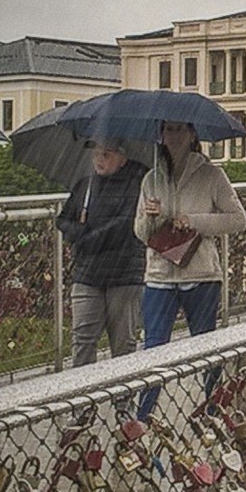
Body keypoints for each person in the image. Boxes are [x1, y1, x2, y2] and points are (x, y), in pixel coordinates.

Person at [134, 121, 246, 421]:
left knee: (205, 344)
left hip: (200, 273)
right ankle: (142, 416)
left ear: (192, 134)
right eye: (169, 130)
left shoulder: (212, 175)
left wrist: (194, 221)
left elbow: (238, 219)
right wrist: (149, 216)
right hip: (160, 273)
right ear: (161, 134)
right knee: (154, 347)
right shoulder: (151, 179)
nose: (174, 136)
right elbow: (141, 232)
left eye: (180, 130)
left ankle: (212, 408)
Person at [56, 140, 147, 367]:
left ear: (122, 158)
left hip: (124, 274)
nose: (99, 160)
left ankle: (123, 400)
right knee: (83, 338)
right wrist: (78, 231)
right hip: (87, 273)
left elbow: (126, 224)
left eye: (106, 155)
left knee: (123, 343)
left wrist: (87, 238)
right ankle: (83, 398)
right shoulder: (85, 186)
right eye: (96, 155)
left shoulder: (136, 184)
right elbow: (63, 220)